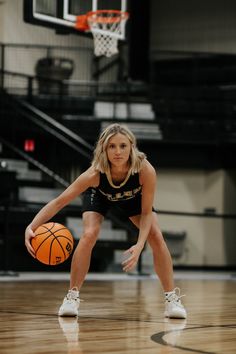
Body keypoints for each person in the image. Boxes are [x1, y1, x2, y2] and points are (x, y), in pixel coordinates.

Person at [25, 123, 187, 319]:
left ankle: (171, 300)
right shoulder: (94, 174)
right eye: (112, 146)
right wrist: (31, 226)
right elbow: (60, 201)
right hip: (100, 195)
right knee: (89, 234)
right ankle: (71, 297)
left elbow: (146, 213)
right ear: (104, 149)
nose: (117, 151)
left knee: (156, 236)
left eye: (123, 146)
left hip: (132, 198)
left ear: (131, 147)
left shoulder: (145, 171)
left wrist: (139, 244)